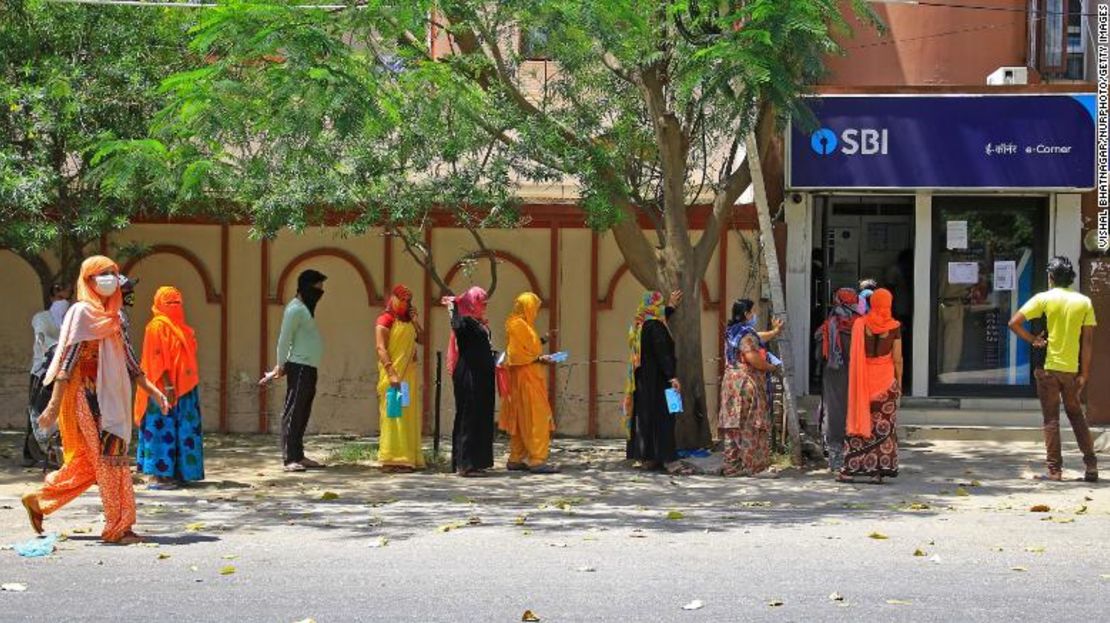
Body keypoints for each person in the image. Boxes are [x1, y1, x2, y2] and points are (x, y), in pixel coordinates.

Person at [21, 255, 169, 544]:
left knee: (95, 464)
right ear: (88, 280)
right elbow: (66, 364)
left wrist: (154, 391)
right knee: (110, 461)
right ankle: (118, 527)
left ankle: (39, 501)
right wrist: (52, 407)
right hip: (87, 398)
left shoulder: (116, 317)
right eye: (102, 274)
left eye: (113, 273)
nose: (110, 279)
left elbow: (131, 363)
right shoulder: (81, 314)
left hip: (112, 397)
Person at [1008, 256, 1098, 483]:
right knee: (1076, 415)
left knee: (1051, 419)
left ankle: (1054, 471)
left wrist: (1033, 340)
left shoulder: (1043, 299)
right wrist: (1084, 374)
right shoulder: (1084, 302)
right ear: (1069, 279)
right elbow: (1087, 343)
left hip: (1047, 368)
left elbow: (1013, 322)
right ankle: (1091, 466)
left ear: (1051, 277)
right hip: (1071, 369)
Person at [134, 286, 205, 489]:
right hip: (162, 388)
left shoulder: (182, 328)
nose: (174, 306)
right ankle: (158, 476)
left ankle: (180, 472)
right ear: (158, 304)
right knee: (161, 429)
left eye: (177, 302)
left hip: (187, 388)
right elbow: (157, 358)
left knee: (184, 428)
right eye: (169, 303)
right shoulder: (156, 327)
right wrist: (169, 386)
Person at [261, 269, 327, 472]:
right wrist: (280, 365)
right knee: (293, 411)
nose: (320, 293)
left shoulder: (304, 309)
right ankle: (290, 458)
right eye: (317, 288)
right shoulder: (295, 309)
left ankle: (299, 455)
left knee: (303, 411)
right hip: (299, 367)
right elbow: (284, 339)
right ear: (306, 287)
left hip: (308, 367)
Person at [623, 290, 691, 474]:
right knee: (667, 418)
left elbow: (659, 319)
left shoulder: (639, 324)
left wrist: (670, 307)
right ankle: (670, 460)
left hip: (643, 383)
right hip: (662, 382)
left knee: (646, 419)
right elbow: (663, 354)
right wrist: (672, 376)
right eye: (660, 306)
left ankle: (648, 457)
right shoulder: (656, 327)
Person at [839, 288, 902, 484]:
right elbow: (897, 359)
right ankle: (877, 471)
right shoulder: (894, 326)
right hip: (885, 382)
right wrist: (899, 381)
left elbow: (853, 355)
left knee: (860, 422)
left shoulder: (860, 323)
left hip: (863, 381)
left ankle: (849, 470)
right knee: (882, 427)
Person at [718, 298, 782, 476]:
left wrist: (775, 331)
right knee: (751, 424)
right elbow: (752, 357)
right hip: (746, 384)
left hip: (731, 383)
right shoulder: (746, 335)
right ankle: (755, 466)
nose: (755, 315)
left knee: (733, 425)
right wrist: (771, 367)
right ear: (746, 314)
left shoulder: (734, 331)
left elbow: (757, 336)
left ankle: (733, 466)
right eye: (753, 312)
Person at [499, 292, 558, 474]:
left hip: (527, 378)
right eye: (535, 308)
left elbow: (527, 348)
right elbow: (516, 355)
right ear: (527, 307)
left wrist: (544, 340)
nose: (536, 312)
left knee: (522, 419)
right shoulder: (518, 325)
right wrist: (541, 359)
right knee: (536, 418)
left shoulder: (522, 325)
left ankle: (516, 458)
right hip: (526, 380)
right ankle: (537, 459)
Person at [444, 287, 495, 477]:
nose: (484, 306)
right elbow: (457, 326)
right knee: (468, 416)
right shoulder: (464, 322)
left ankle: (476, 461)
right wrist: (454, 306)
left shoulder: (477, 322)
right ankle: (465, 464)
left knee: (479, 416)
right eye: (481, 302)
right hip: (470, 376)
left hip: (481, 378)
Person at [375, 285, 425, 473]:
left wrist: (416, 321)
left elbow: (421, 339)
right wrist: (392, 373)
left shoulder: (409, 320)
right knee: (393, 415)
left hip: (409, 377)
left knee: (407, 415)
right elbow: (381, 348)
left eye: (407, 301)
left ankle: (408, 457)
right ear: (393, 299)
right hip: (394, 377)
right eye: (401, 299)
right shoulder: (385, 319)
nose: (404, 304)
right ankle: (391, 459)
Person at [814, 288, 860, 472]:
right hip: (857, 375)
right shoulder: (861, 325)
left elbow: (819, 355)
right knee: (855, 410)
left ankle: (835, 457)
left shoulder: (828, 326)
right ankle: (855, 455)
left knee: (834, 411)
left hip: (834, 374)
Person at [23, 290, 65, 468]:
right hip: (41, 371)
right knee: (35, 409)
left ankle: (56, 453)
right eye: (59, 297)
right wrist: (55, 348)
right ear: (51, 298)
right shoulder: (41, 318)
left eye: (65, 298)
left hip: (62, 372)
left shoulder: (67, 319)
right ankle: (28, 453)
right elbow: (41, 338)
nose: (62, 301)